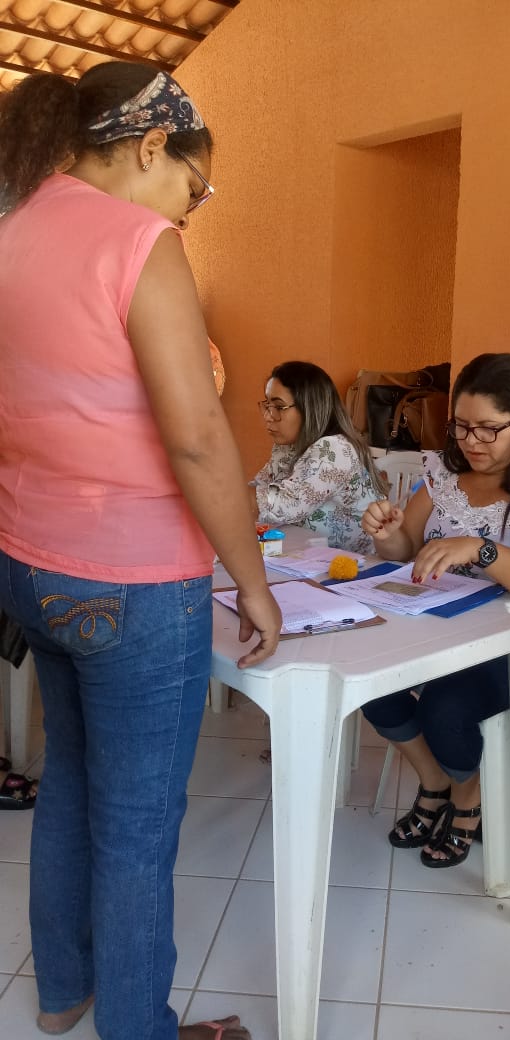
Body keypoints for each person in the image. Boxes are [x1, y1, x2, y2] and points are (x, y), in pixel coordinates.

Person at [0, 62, 282, 1040]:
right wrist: (253, 583)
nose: (190, 214)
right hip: (133, 582)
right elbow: (197, 435)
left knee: (70, 780)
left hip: (30, 563)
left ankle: (61, 992)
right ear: (151, 144)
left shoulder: (14, 224)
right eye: (194, 189)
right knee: (137, 827)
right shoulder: (137, 242)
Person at [361, 353, 510, 868]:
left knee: (445, 709)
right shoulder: (447, 476)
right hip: (451, 630)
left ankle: (468, 799)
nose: (472, 442)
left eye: (489, 429)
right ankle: (436, 780)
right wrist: (387, 532)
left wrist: (482, 549)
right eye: (462, 426)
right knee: (372, 682)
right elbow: (406, 549)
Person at [253, 360, 386, 554]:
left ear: (310, 407)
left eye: (279, 407)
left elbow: (286, 504)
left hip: (356, 564)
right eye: (267, 405)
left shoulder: (333, 449)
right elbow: (259, 486)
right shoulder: (287, 447)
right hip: (307, 557)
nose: (268, 416)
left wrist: (221, 494)